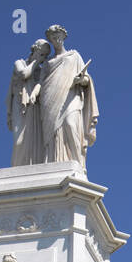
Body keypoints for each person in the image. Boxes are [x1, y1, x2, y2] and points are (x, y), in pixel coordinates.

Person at [38, 25, 98, 169]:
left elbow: (86, 79)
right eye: (53, 37)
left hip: (71, 97)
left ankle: (79, 163)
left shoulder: (74, 56)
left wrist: (80, 80)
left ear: (64, 37)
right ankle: (54, 162)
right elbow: (41, 83)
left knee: (71, 125)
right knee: (54, 132)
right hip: (50, 99)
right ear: (50, 41)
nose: (56, 39)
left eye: (58, 36)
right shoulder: (47, 63)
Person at [6, 39, 51, 166]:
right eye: (42, 54)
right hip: (20, 105)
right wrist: (36, 61)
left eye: (45, 56)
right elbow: (23, 74)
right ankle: (16, 169)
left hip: (34, 107)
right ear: (35, 50)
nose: (44, 58)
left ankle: (31, 167)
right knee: (19, 140)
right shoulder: (19, 63)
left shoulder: (41, 71)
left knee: (34, 140)